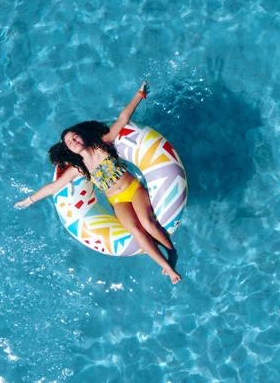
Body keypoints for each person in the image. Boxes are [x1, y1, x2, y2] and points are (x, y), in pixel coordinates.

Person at [14, 81, 181, 284]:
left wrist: (139, 94)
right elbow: (53, 187)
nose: (73, 141)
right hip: (118, 201)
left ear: (82, 137)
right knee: (135, 231)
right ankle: (166, 267)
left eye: (75, 136)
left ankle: (172, 253)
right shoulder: (78, 169)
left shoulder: (103, 144)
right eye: (69, 142)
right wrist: (29, 200)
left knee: (146, 222)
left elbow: (123, 118)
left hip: (133, 188)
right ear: (69, 150)